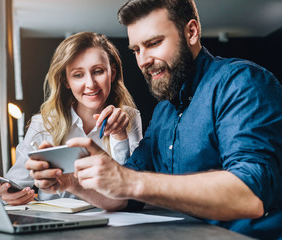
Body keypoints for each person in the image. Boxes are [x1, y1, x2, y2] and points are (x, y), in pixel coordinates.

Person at [25, 1, 282, 239]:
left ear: (191, 32)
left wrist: (130, 181)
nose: (143, 60)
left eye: (154, 43)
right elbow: (123, 195)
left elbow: (251, 193)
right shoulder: (163, 112)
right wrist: (71, 182)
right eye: (136, 49)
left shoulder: (240, 82)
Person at [0, 31, 143, 206]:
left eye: (98, 71)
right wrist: (8, 194)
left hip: (110, 218)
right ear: (66, 82)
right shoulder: (43, 123)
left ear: (112, 73)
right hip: (56, 222)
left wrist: (120, 136)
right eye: (78, 75)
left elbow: (130, 189)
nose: (90, 84)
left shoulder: (130, 117)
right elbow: (16, 183)